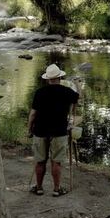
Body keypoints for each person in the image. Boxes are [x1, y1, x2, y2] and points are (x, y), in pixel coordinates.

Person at [27, 64, 81, 196]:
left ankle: (39, 188)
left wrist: (29, 129)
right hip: (59, 131)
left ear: (47, 79)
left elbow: (33, 114)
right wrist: (78, 84)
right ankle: (57, 189)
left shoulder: (40, 93)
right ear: (60, 77)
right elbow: (78, 98)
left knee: (40, 161)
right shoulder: (67, 91)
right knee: (56, 161)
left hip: (40, 130)